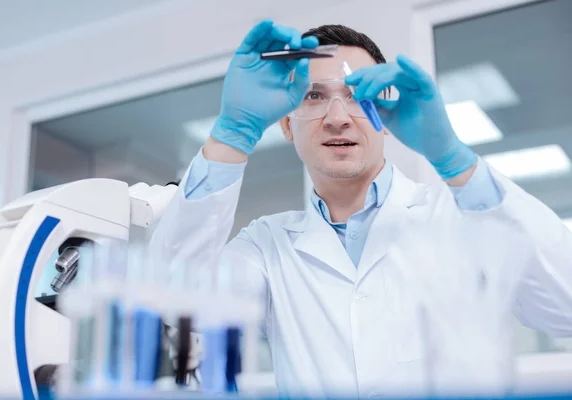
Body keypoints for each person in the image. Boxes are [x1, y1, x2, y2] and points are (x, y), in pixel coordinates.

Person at [150, 20, 572, 396]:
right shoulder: (266, 247)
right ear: (284, 122)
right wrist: (231, 135)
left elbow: (565, 309)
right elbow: (175, 301)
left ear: (384, 114)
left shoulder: (457, 218)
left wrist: (455, 159)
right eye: (314, 96)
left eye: (355, 95)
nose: (338, 117)